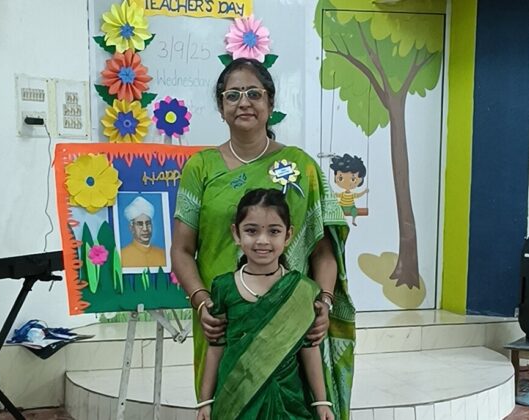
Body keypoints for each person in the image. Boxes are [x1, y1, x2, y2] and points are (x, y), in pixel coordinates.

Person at [171, 57, 355, 420]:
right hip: (224, 318)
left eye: (254, 93)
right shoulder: (201, 167)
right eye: (233, 95)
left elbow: (323, 250)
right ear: (221, 107)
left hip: (291, 319)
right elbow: (181, 249)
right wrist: (204, 303)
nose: (244, 102)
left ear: (270, 103)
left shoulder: (301, 167)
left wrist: (323, 303)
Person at [196, 189, 334, 420]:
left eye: (274, 231)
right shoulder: (224, 286)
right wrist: (205, 402)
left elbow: (310, 348)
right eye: (251, 231)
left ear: (288, 235)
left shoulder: (302, 290)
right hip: (236, 402)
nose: (262, 240)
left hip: (288, 402)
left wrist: (321, 402)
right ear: (236, 233)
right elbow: (215, 346)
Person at [121, 196, 166, 268]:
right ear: (131, 228)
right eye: (140, 224)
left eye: (148, 223)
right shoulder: (122, 256)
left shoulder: (163, 254)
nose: (145, 229)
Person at [329, 154, 369, 226]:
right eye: (340, 178)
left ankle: (353, 220)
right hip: (342, 206)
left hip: (351, 208)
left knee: (354, 211)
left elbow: (358, 195)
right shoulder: (343, 194)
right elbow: (337, 195)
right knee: (337, 209)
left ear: (360, 180)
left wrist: (364, 191)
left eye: (353, 179)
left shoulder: (352, 195)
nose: (347, 182)